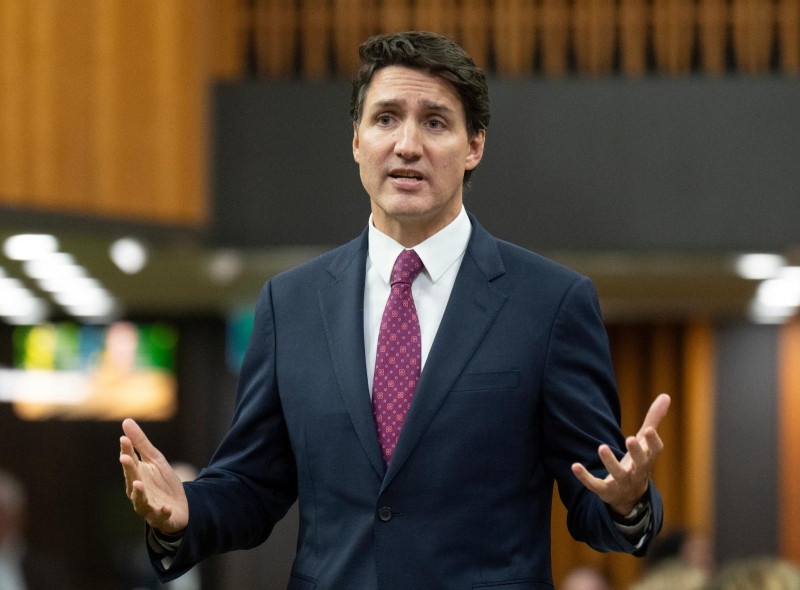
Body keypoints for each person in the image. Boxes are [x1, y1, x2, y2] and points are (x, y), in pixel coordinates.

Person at [120, 31, 669, 589]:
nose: (407, 144)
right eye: (385, 119)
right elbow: (252, 485)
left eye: (435, 122)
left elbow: (594, 491)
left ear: (474, 145)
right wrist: (186, 512)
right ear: (356, 139)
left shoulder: (550, 303)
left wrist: (628, 502)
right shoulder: (290, 305)